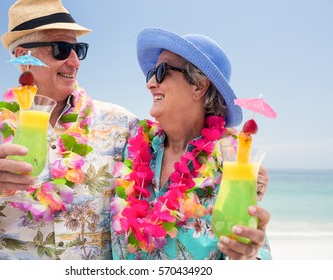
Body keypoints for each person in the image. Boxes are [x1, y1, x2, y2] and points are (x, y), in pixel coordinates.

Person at [0, 0, 138, 260]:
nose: (74, 61)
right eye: (61, 48)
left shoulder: (120, 124)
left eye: (78, 49)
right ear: (23, 57)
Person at [111, 28, 272, 260]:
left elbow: (251, 251)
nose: (150, 83)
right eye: (150, 74)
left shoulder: (232, 161)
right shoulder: (129, 145)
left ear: (198, 86)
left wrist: (245, 259)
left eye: (162, 71)